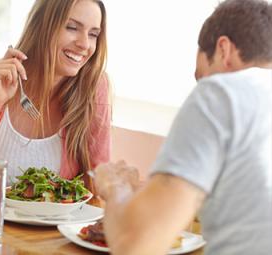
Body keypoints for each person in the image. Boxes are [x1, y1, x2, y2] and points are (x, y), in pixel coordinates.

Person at [94, 0, 272, 254]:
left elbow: (134, 245)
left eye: (201, 77)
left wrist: (115, 186)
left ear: (223, 50)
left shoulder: (222, 92)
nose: (200, 88)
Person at [0, 0, 110, 206]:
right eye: (72, 27)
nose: (84, 44)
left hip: (39, 236)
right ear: (41, 26)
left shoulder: (92, 88)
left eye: (93, 34)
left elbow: (97, 183)